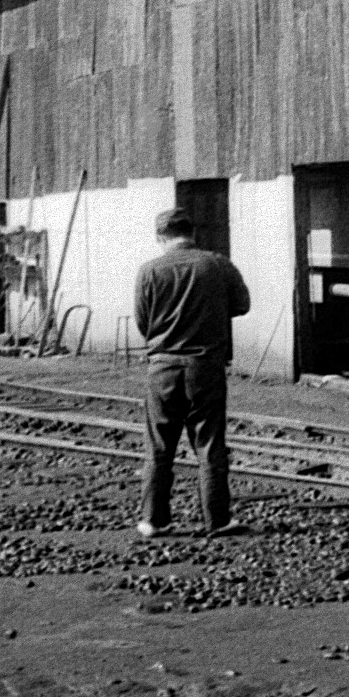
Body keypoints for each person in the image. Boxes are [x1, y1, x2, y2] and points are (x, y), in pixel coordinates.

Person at [134, 207, 251, 538]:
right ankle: (217, 520)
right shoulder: (217, 264)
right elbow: (242, 305)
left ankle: (153, 520)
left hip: (162, 368)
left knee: (159, 445)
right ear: (193, 233)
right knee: (210, 445)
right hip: (205, 367)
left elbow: (144, 323)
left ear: (161, 238)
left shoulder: (148, 271)